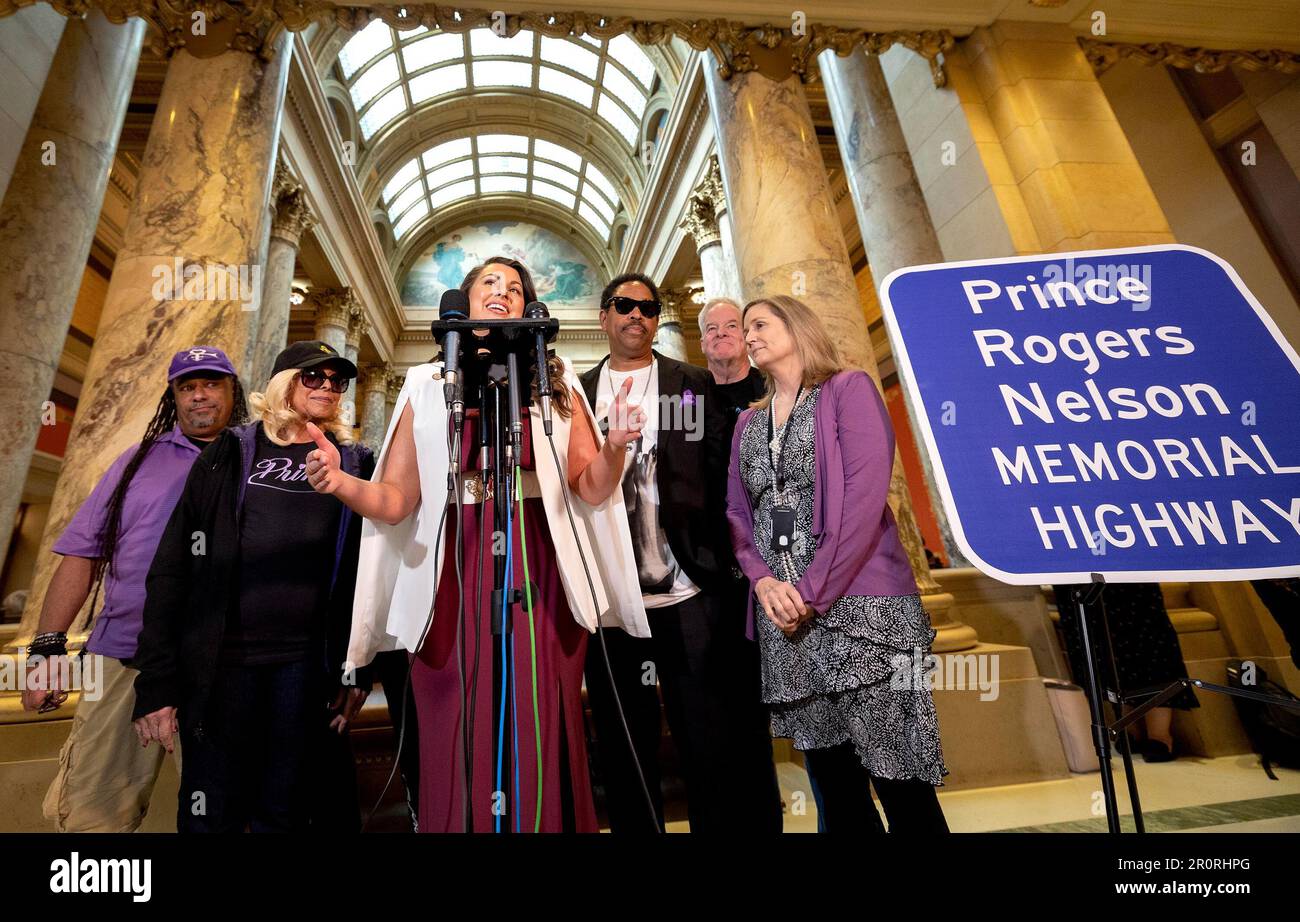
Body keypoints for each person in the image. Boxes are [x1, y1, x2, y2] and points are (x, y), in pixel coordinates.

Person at [309, 256, 648, 833]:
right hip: (452, 564)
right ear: (461, 302)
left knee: (538, 708)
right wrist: (341, 483)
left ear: (528, 308)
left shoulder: (554, 379)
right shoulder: (425, 380)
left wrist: (615, 446)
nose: (503, 292)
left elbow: (589, 487)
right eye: (489, 283)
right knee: (455, 710)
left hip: (538, 555)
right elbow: (397, 499)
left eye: (515, 288)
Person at [131, 341, 374, 832]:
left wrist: (359, 670)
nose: (328, 387)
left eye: (336, 380)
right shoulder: (231, 451)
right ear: (285, 384)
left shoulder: (355, 462)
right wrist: (156, 682)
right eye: (314, 377)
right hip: (221, 665)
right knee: (210, 809)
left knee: (284, 808)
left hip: (305, 668)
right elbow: (172, 565)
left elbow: (368, 575)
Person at [727, 295, 949, 833]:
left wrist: (809, 591)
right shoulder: (748, 424)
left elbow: (862, 502)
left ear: (797, 327)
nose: (749, 334)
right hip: (787, 623)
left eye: (760, 324)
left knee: (902, 781)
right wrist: (762, 583)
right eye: (743, 327)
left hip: (867, 613)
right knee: (836, 789)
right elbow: (738, 513)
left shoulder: (846, 390)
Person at [580, 273, 782, 833]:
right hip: (612, 600)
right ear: (604, 318)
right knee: (625, 742)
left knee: (708, 737)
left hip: (692, 590)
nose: (636, 314)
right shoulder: (573, 394)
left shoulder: (693, 386)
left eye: (648, 306)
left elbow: (729, 480)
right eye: (623, 305)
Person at [24, 346, 245, 832]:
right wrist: (46, 652)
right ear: (173, 397)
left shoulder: (252, 458)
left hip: (222, 663)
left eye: (212, 384)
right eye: (187, 387)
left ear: (235, 391)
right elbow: (82, 553)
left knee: (225, 814)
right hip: (124, 656)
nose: (199, 396)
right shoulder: (138, 460)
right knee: (92, 813)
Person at [1051, 583, 1199, 762]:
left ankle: (1138, 732)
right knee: (1136, 637)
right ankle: (1150, 735)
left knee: (1110, 638)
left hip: (1084, 569)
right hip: (1108, 567)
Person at [699, 297, 764, 437]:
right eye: (711, 328)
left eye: (732, 326)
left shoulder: (773, 388)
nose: (721, 333)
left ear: (746, 337)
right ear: (702, 344)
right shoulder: (688, 394)